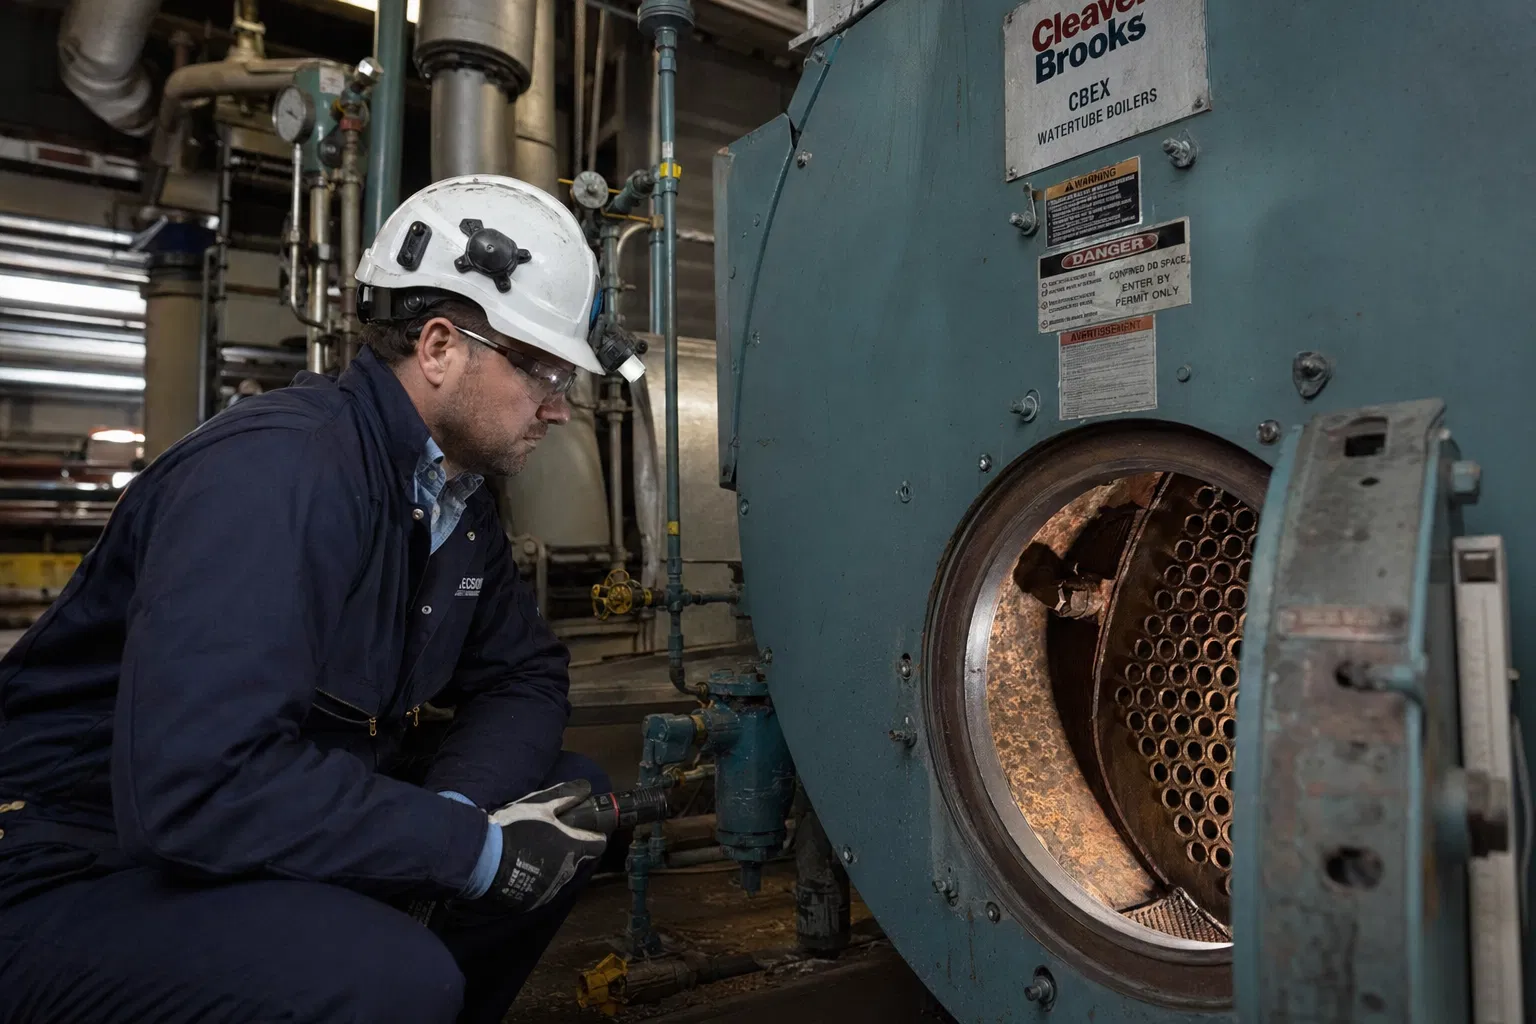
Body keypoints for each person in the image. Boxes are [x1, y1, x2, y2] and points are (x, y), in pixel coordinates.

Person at [0, 175, 645, 1023]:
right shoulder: (278, 478)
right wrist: (467, 849)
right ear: (442, 347)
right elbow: (198, 786)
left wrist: (456, 810)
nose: (561, 408)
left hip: (251, 814)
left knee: (568, 799)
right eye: (543, 369)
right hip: (83, 856)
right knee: (387, 980)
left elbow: (523, 674)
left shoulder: (453, 496)